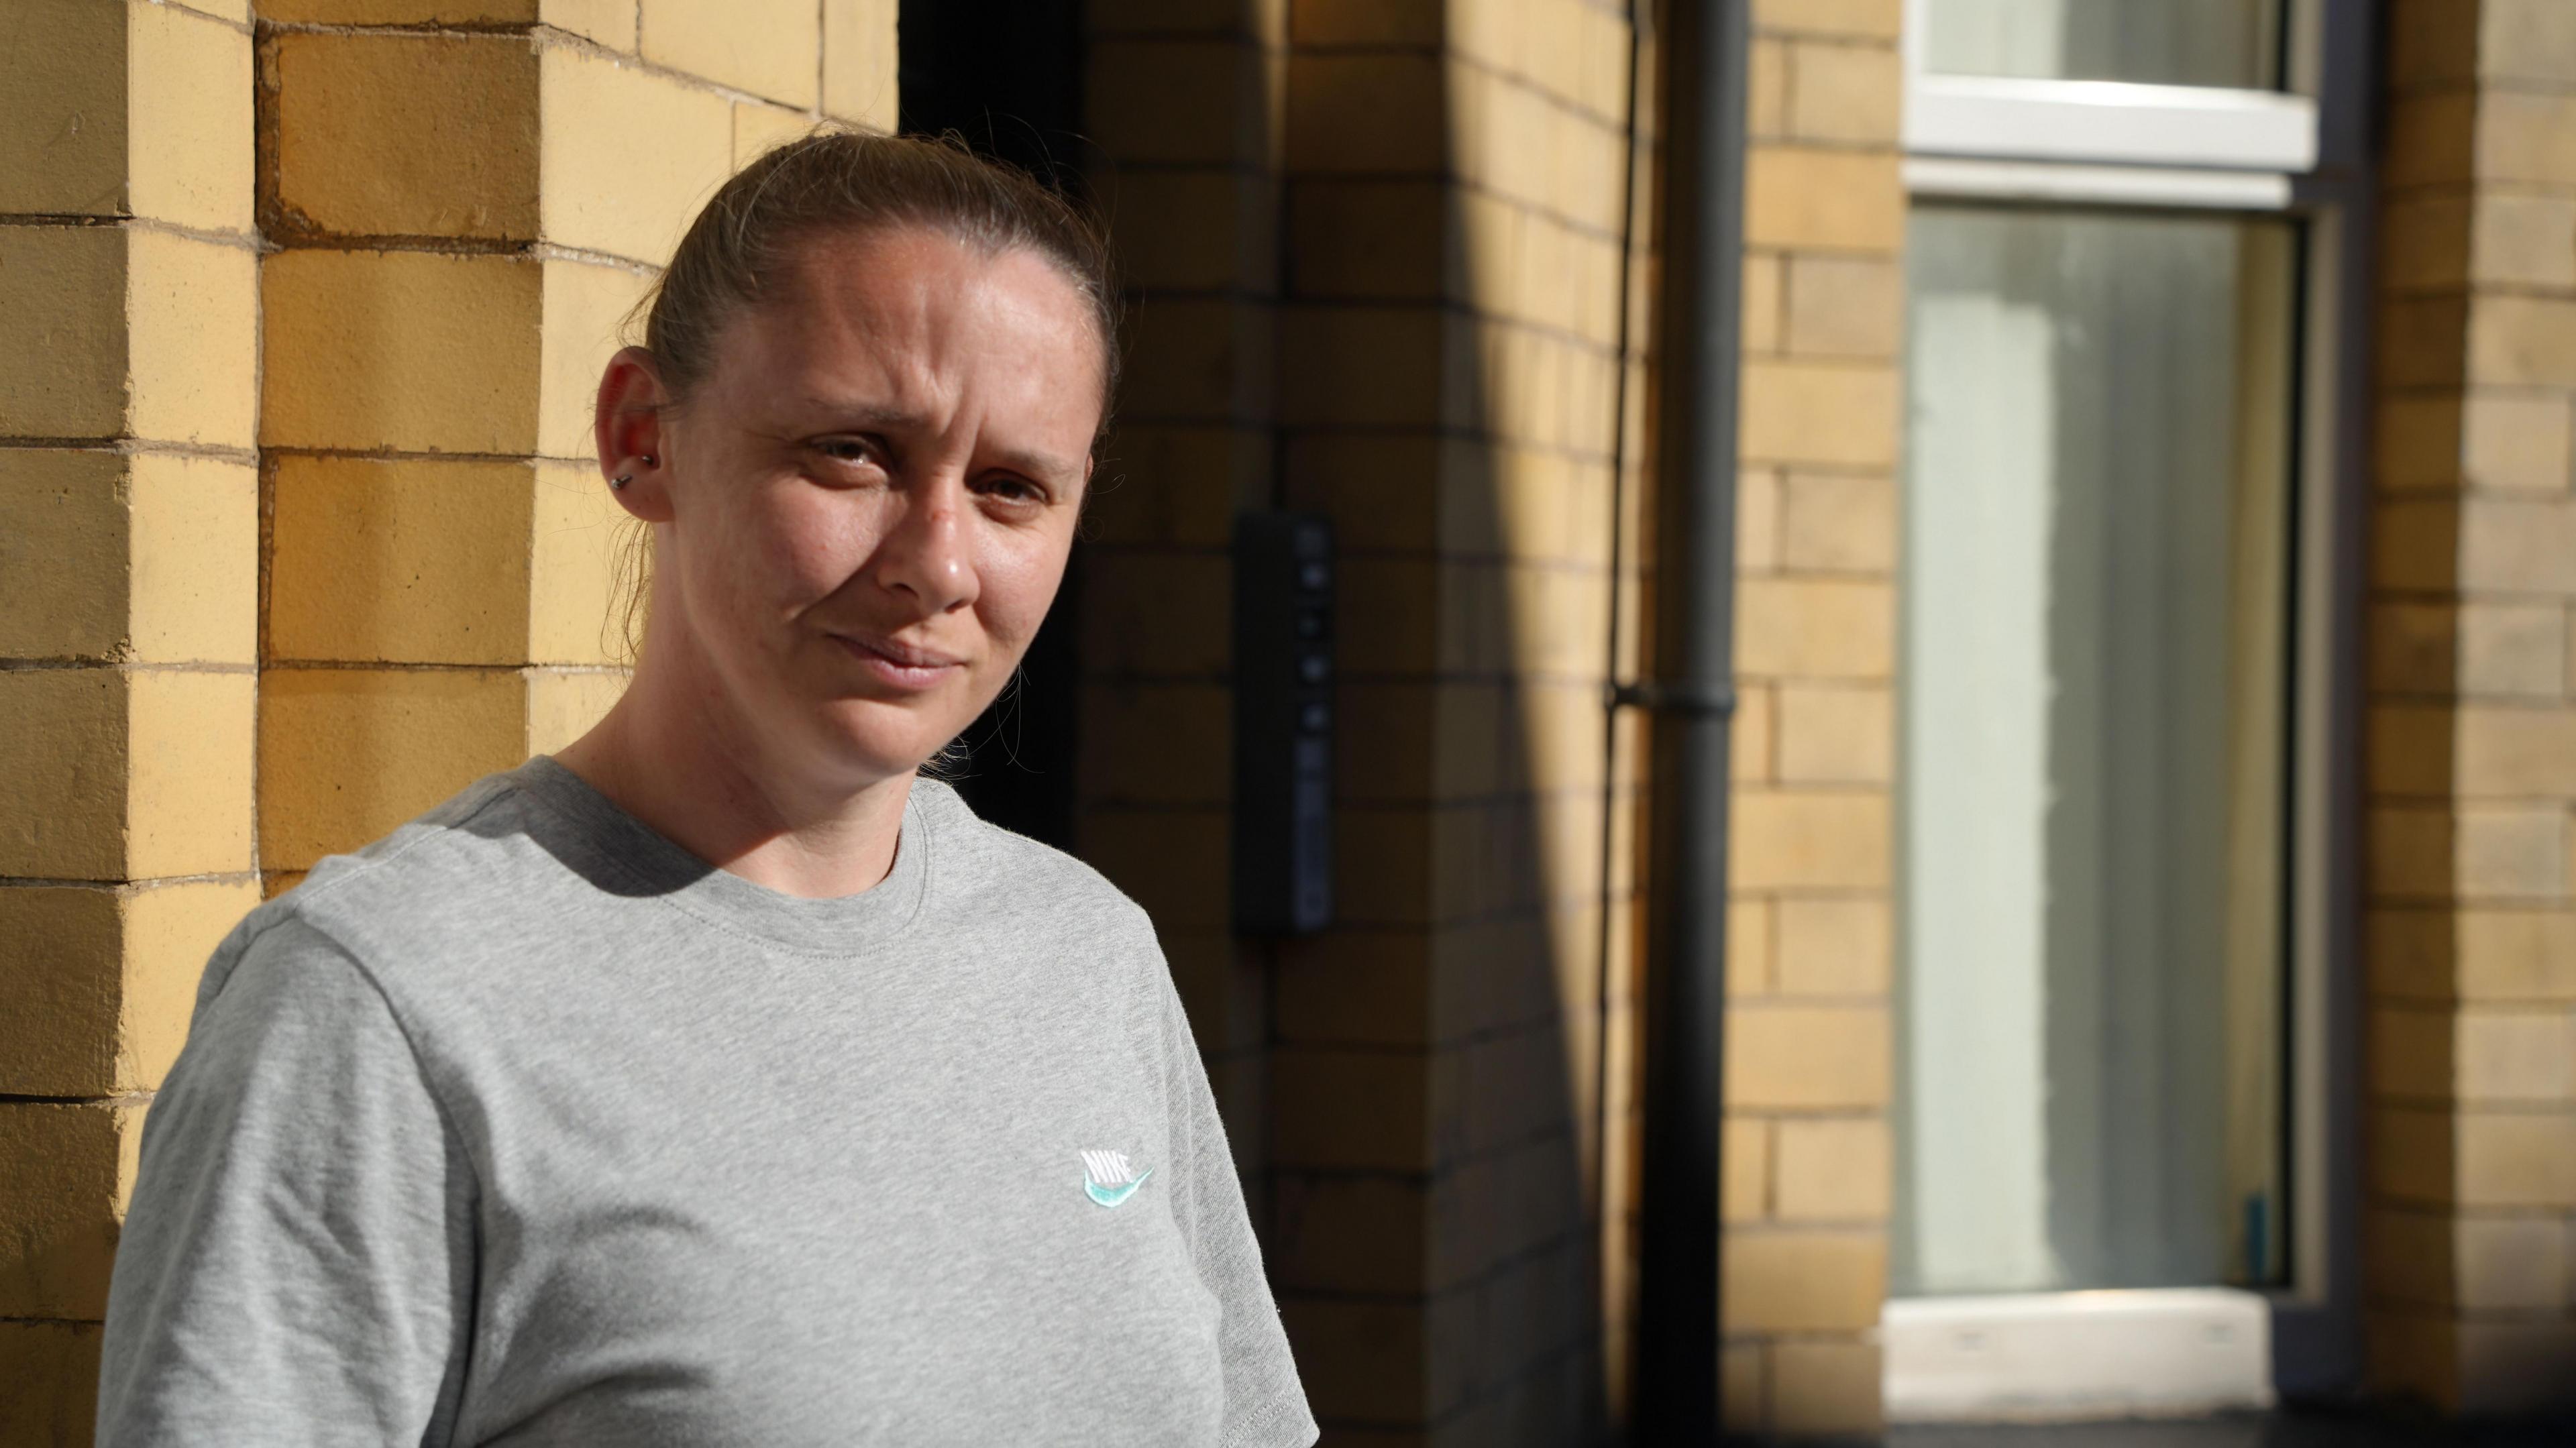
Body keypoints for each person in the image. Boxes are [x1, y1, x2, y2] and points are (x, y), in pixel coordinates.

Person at [96, 130, 1317, 1447]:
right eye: (853, 452)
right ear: (643, 438)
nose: (939, 561)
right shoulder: (383, 1006)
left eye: (1015, 488)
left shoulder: (1086, 954)